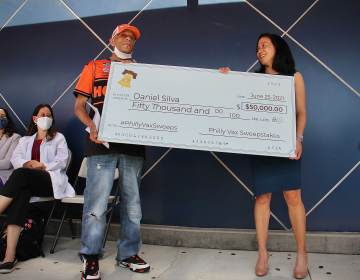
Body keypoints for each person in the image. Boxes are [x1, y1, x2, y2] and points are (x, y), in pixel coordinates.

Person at [220, 33, 307, 279]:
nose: (259, 50)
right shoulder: (253, 79)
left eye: (265, 45)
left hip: (287, 146)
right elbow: (231, 100)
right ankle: (262, 253)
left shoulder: (294, 77)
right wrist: (225, 78)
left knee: (293, 197)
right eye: (257, 47)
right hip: (261, 147)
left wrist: (298, 139)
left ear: (278, 48)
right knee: (262, 198)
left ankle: (302, 254)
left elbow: (302, 113)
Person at [74, 24, 149, 280]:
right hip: (101, 143)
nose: (128, 39)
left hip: (133, 145)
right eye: (122, 35)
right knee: (95, 204)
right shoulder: (93, 67)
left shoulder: (144, 71)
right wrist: (91, 125)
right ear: (112, 39)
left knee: (133, 206)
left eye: (132, 37)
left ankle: (128, 254)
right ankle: (91, 256)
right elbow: (79, 106)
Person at [0, 104, 75, 274]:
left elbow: (62, 161)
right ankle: (9, 257)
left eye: (49, 115)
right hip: (28, 182)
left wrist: (42, 165)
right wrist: (27, 163)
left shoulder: (58, 138)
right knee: (21, 193)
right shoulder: (25, 140)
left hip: (49, 180)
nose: (46, 117)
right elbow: (16, 158)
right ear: (35, 119)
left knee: (20, 175)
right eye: (42, 114)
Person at [0, 108, 21, 187]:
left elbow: (8, 163)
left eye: (2, 116)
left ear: (7, 119)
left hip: (5, 178)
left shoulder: (15, 138)